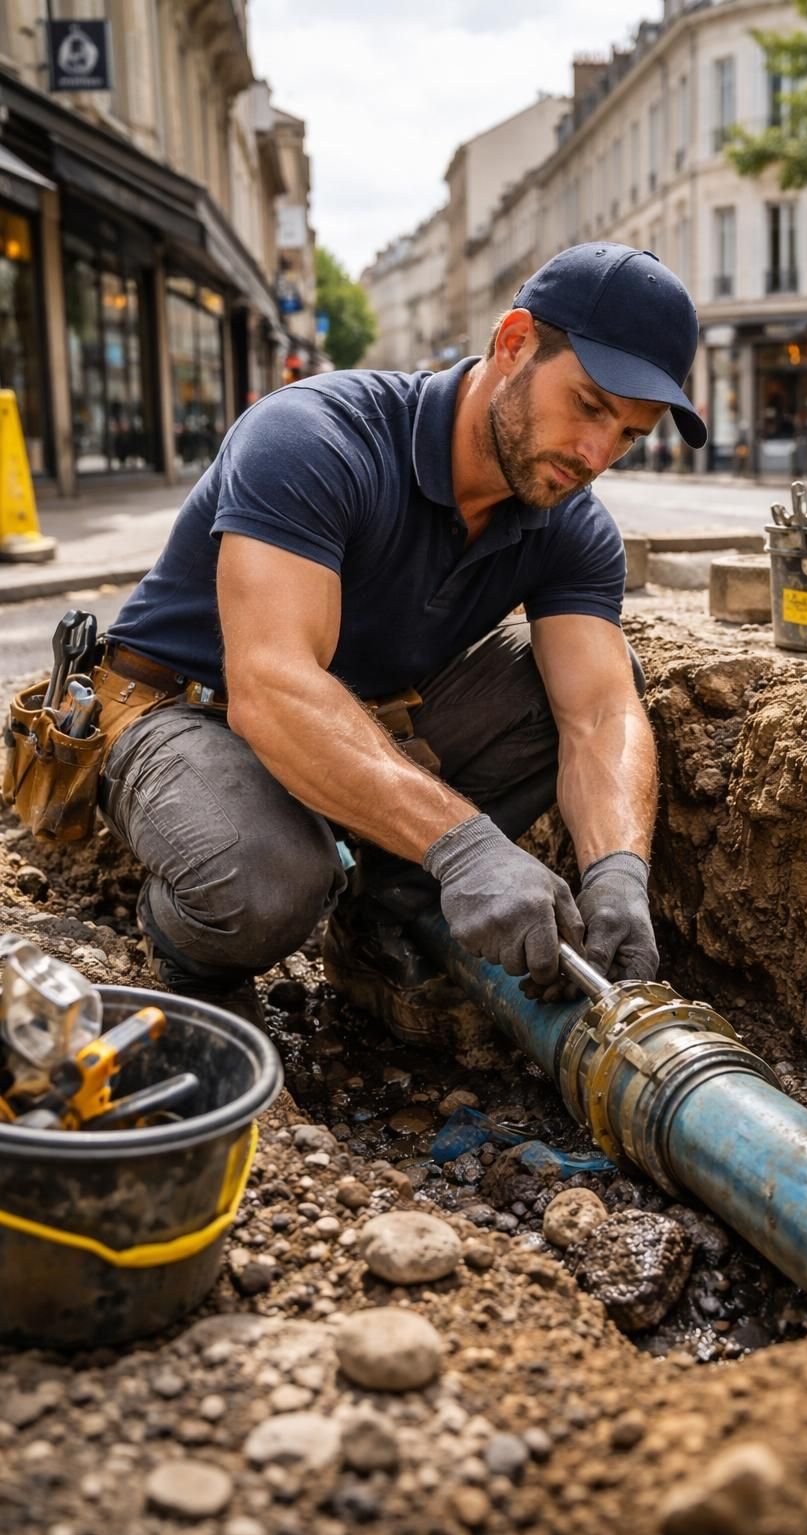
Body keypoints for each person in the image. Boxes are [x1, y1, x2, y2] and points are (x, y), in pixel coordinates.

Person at [96, 243, 708, 1032]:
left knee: (585, 676)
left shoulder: (570, 523)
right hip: (183, 711)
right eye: (589, 405)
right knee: (269, 882)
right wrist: (464, 846)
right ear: (514, 342)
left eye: (629, 435)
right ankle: (191, 964)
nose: (597, 456)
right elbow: (272, 686)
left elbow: (599, 713)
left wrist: (618, 871)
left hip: (354, 720)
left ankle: (381, 922)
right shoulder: (315, 437)